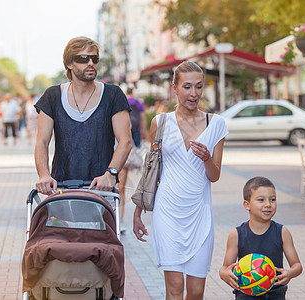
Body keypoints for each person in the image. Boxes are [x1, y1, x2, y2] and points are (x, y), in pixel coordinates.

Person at [133, 61, 228, 300]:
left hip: (199, 214)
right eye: (187, 87)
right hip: (168, 213)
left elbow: (214, 176)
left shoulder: (215, 124)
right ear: (174, 88)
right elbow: (150, 169)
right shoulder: (160, 122)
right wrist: (138, 210)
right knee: (174, 288)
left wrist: (207, 158)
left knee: (196, 292)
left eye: (198, 86)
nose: (193, 93)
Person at [34, 36, 132, 195]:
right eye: (83, 58)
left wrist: (110, 174)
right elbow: (42, 142)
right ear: (69, 64)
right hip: (61, 189)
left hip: (102, 189)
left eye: (94, 58)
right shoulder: (52, 96)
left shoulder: (112, 95)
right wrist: (44, 175)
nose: (91, 63)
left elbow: (125, 141)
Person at [219, 176, 303, 300]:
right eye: (261, 200)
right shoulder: (237, 234)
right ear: (247, 205)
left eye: (272, 199)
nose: (268, 204)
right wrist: (224, 274)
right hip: (246, 294)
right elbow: (225, 267)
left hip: (275, 293)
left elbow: (297, 265)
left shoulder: (282, 232)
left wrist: (290, 273)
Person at [118, 87, 146, 231]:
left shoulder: (121, 101)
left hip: (121, 145)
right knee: (121, 188)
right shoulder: (138, 103)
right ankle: (119, 220)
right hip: (131, 140)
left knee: (119, 188)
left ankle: (118, 220)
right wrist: (143, 132)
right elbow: (142, 118)